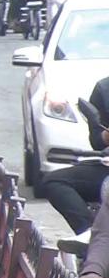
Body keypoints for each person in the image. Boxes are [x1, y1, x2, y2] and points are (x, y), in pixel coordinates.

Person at [41, 77, 109, 236]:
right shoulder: (104, 89)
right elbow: (97, 141)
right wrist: (104, 136)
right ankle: (90, 235)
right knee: (55, 181)